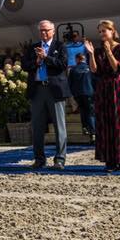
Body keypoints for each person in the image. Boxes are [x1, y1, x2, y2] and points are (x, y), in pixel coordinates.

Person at [85, 21, 120, 172]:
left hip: (117, 88)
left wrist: (109, 52)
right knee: (105, 122)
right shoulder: (99, 50)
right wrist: (91, 54)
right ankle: (109, 160)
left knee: (118, 121)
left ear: (112, 31)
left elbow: (117, 68)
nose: (102, 34)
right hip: (103, 89)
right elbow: (95, 70)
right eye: (100, 32)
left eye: (104, 31)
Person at [23, 19, 71, 170]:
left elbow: (62, 64)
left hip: (55, 90)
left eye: (46, 30)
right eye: (41, 30)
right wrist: (37, 61)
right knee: (37, 127)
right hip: (37, 90)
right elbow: (25, 66)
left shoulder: (60, 46)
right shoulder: (33, 47)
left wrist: (46, 58)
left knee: (59, 126)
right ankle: (39, 159)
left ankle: (60, 159)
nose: (44, 33)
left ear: (53, 31)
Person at [69, 53, 96, 137]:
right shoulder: (90, 68)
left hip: (78, 94)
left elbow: (70, 83)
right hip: (89, 93)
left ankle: (85, 128)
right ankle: (93, 131)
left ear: (77, 59)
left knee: (83, 111)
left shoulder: (73, 69)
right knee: (90, 112)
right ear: (84, 59)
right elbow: (94, 81)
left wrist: (73, 93)